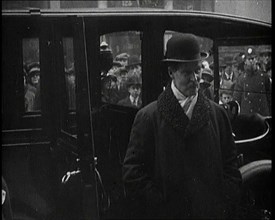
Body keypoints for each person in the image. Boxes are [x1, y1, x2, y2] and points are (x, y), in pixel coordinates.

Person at [122, 33, 242, 219]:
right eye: (187, 72)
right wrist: (161, 207)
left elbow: (231, 169)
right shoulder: (148, 117)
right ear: (171, 72)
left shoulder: (218, 116)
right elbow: (133, 174)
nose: (195, 78)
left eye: (197, 70)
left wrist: (218, 204)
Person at [233, 47, 271, 116]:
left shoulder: (264, 77)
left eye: (253, 59)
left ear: (256, 60)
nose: (251, 61)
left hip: (262, 115)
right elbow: (236, 100)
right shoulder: (241, 79)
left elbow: (269, 97)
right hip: (247, 116)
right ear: (245, 61)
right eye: (249, 59)